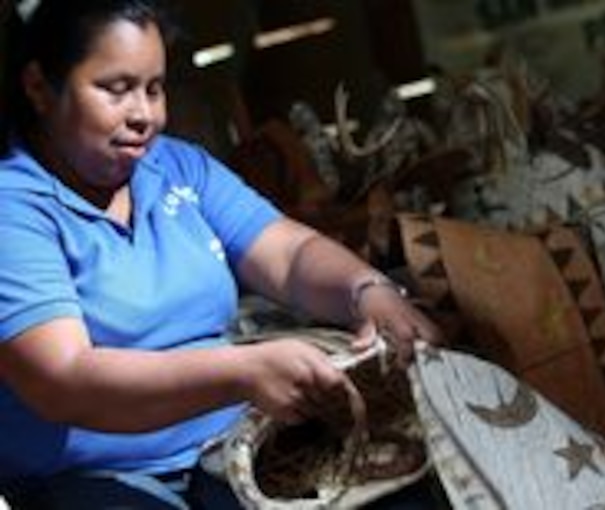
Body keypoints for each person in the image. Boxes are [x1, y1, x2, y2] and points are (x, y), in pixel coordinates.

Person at [0, 0, 442, 507]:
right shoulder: (12, 208)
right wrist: (242, 372)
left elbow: (288, 253)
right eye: (115, 90)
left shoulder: (178, 168)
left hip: (228, 447)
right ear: (39, 87)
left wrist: (368, 292)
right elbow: (65, 381)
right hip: (94, 479)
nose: (145, 114)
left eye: (154, 88)